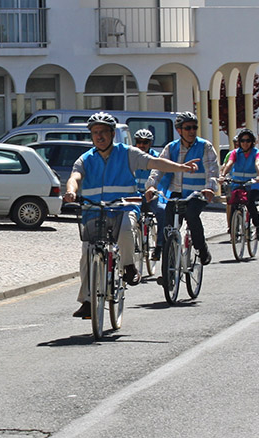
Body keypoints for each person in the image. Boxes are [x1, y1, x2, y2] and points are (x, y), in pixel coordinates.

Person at [64, 112, 198, 318]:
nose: (99, 136)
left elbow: (155, 163)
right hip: (94, 211)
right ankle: (88, 301)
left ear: (112, 134)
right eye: (95, 133)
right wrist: (71, 191)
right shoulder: (86, 158)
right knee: (86, 254)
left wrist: (181, 167)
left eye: (103, 132)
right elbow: (75, 176)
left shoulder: (127, 153)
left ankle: (128, 266)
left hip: (123, 208)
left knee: (126, 229)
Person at [145, 111, 220, 267]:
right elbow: (158, 167)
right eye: (188, 128)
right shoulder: (171, 148)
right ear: (179, 130)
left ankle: (202, 249)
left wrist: (210, 188)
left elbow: (212, 170)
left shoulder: (205, 146)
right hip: (177, 193)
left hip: (197, 193)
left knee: (192, 215)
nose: (192, 131)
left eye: (194, 127)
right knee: (168, 226)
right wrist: (151, 186)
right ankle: (169, 270)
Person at [219, 128, 259, 240]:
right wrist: (223, 175)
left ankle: (258, 226)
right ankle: (233, 228)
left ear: (252, 142)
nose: (245, 143)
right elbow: (229, 164)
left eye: (248, 140)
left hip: (252, 185)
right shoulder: (235, 153)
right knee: (233, 203)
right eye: (243, 140)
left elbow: (257, 163)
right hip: (237, 183)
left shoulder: (256, 153)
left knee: (250, 202)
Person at [133, 128, 165, 262]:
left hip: (152, 195)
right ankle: (131, 244)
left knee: (162, 211)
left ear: (150, 143)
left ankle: (159, 245)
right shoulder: (131, 156)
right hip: (135, 196)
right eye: (139, 142)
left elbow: (162, 176)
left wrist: (154, 190)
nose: (142, 145)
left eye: (145, 142)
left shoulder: (157, 157)